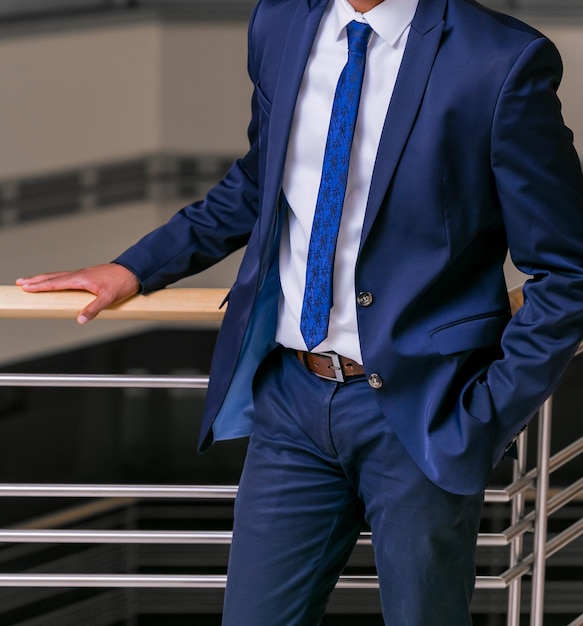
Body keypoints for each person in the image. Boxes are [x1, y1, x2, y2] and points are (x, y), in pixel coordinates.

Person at [17, 0, 583, 623]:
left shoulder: (500, 60)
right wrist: (136, 267)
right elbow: (261, 182)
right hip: (291, 399)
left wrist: (485, 415)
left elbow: (566, 272)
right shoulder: (281, 22)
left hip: (425, 409)